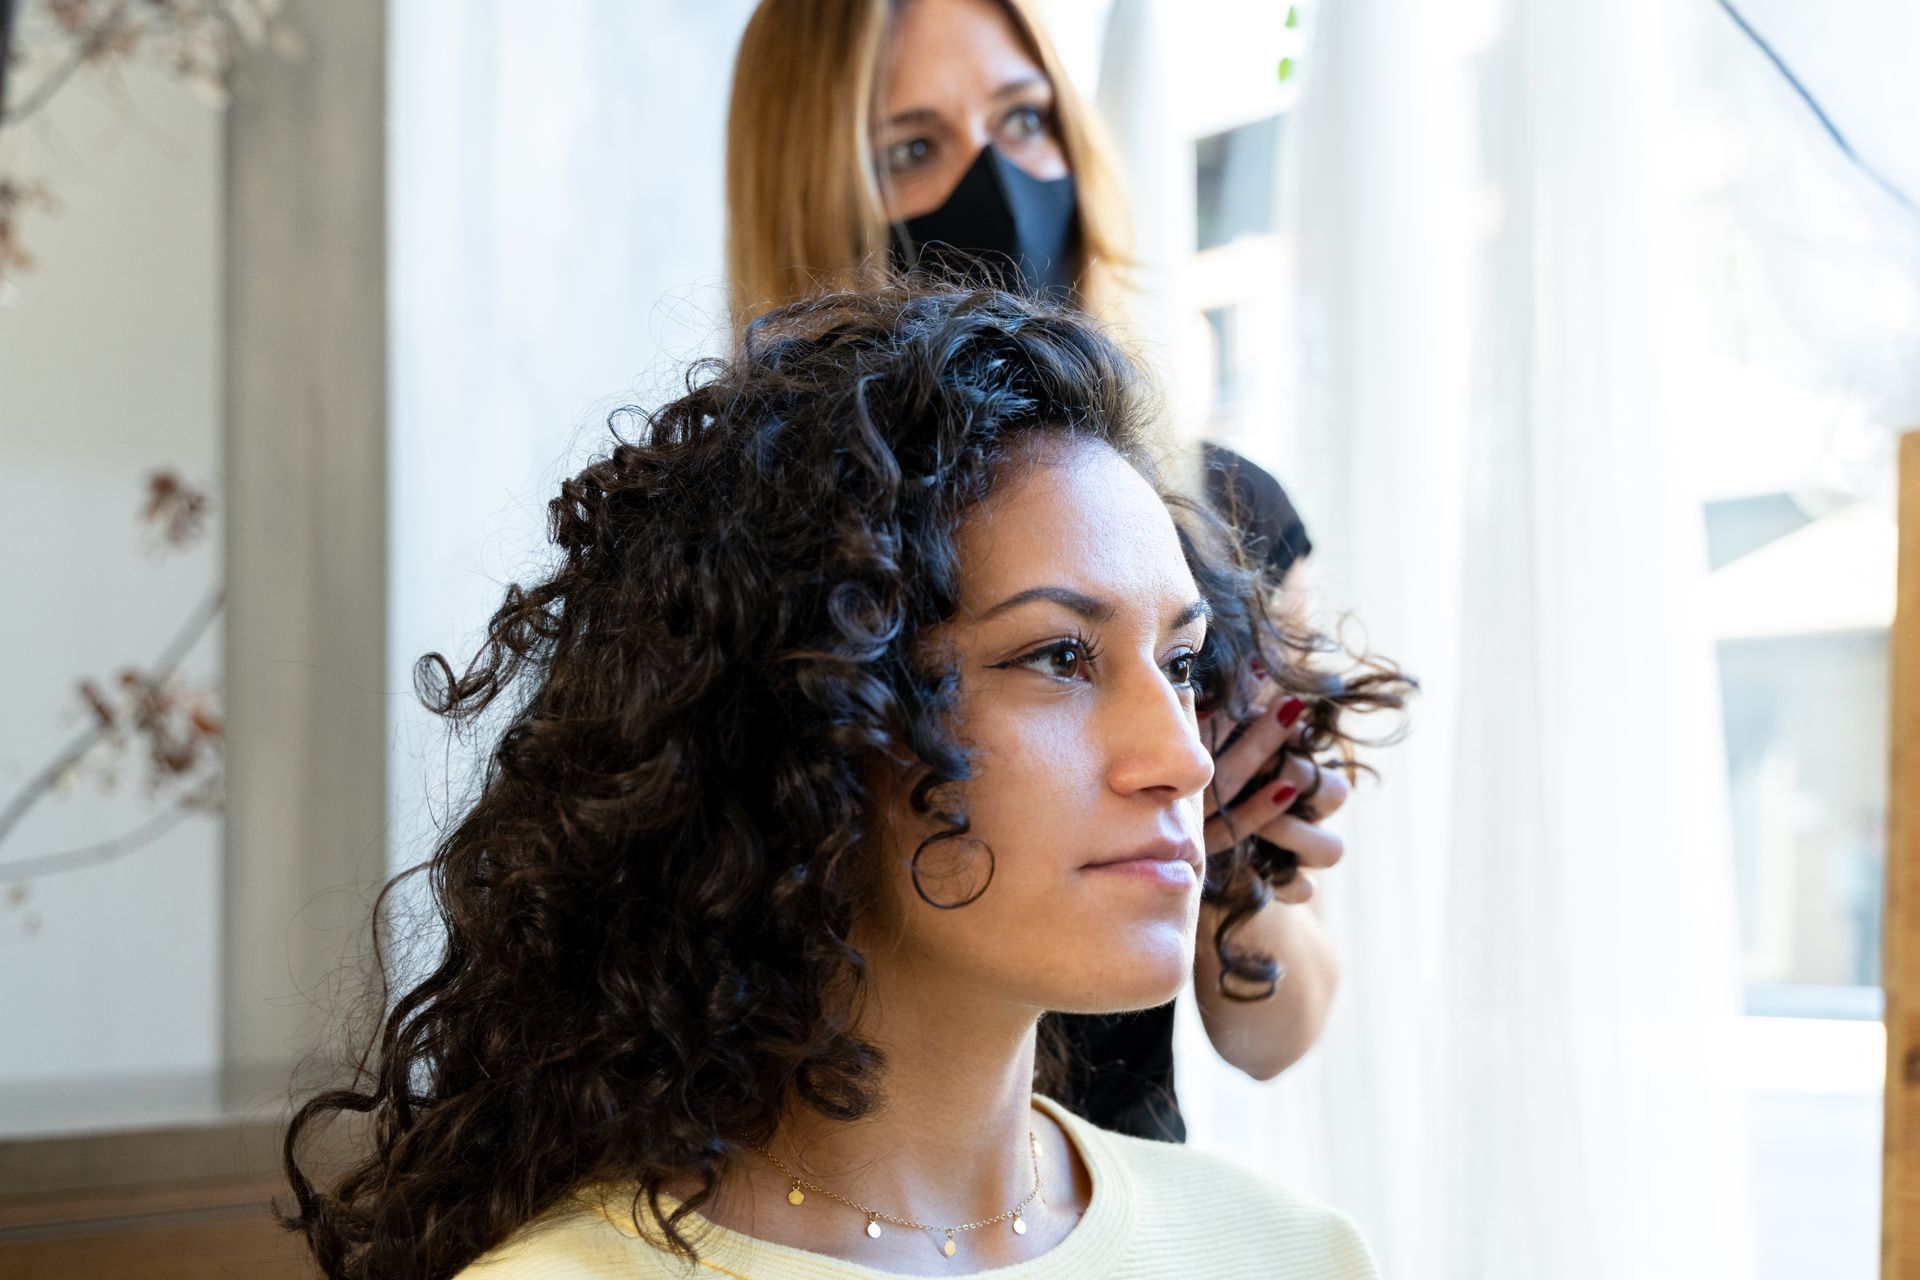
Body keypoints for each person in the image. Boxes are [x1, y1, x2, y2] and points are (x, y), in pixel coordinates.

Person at [280, 285, 1405, 1279]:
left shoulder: (1294, 1255)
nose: (1181, 758)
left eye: (1178, 663)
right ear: (817, 712)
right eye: (1059, 656)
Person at [725, 0, 1345, 1142]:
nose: (995, 182)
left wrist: (1227, 869)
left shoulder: (1228, 518)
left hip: (1116, 1187)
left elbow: (1275, 1031)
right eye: (913, 148)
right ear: (815, 191)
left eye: (1023, 120)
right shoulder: (742, 546)